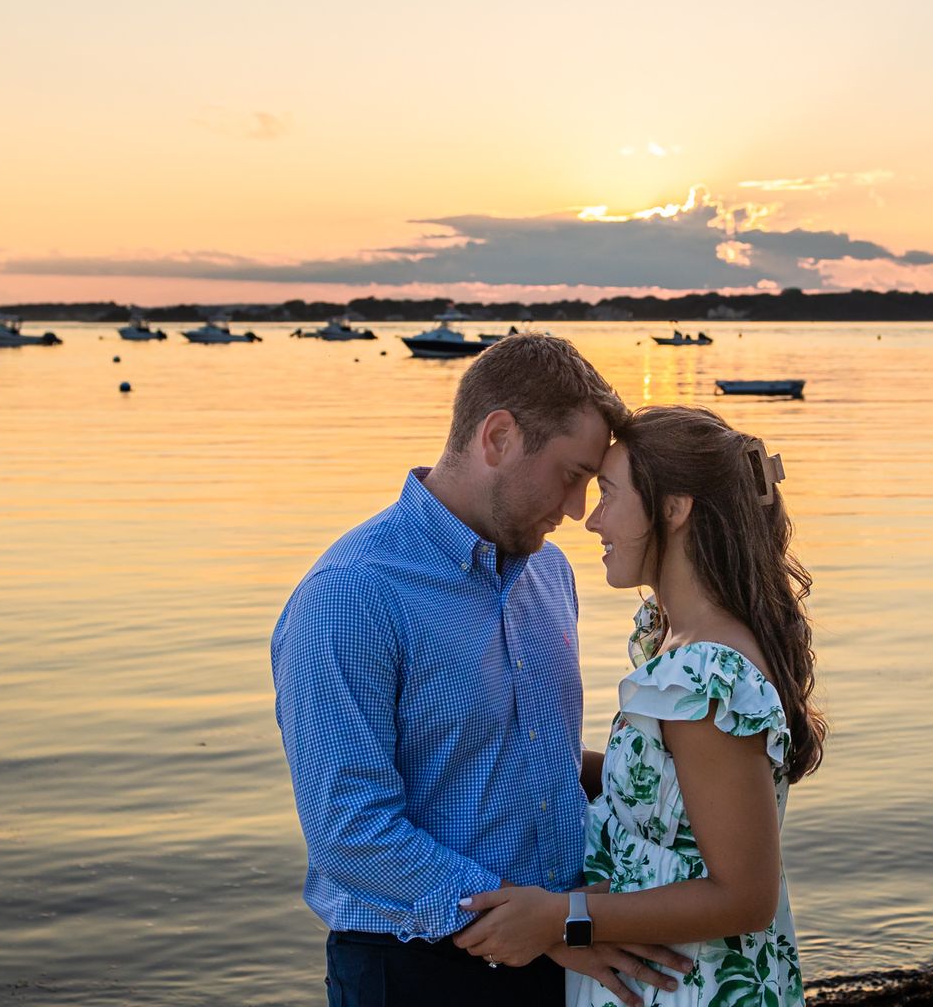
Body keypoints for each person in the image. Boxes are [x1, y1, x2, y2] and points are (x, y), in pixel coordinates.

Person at [271, 334, 694, 1007]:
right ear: (497, 437)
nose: (580, 510)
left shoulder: (548, 574)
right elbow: (349, 832)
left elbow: (527, 755)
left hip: (560, 947)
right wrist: (534, 927)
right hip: (416, 969)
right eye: (571, 475)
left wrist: (677, 770)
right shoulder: (350, 595)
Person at [452, 405, 827, 1007]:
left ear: (674, 509)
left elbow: (746, 895)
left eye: (608, 494)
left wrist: (561, 919)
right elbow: (675, 790)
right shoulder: (677, 641)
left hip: (691, 986)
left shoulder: (703, 677)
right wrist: (542, 760)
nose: (591, 519)